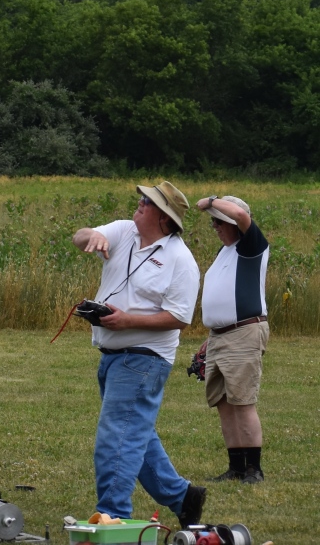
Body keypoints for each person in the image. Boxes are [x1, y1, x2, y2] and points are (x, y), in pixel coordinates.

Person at [72, 181, 206, 528]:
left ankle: (113, 516)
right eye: (142, 199)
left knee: (116, 437)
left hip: (145, 358)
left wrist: (127, 320)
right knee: (135, 434)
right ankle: (182, 497)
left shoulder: (181, 261)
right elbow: (80, 235)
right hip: (112, 354)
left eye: (147, 202)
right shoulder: (122, 230)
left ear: (164, 217)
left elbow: (180, 317)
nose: (140, 204)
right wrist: (91, 237)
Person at [194, 195, 269, 484]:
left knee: (242, 401)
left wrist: (211, 200)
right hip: (221, 335)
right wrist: (210, 337)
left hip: (244, 331)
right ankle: (236, 467)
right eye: (213, 221)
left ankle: (254, 469)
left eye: (218, 221)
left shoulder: (251, 245)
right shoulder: (223, 252)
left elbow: (239, 213)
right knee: (224, 402)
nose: (214, 226)